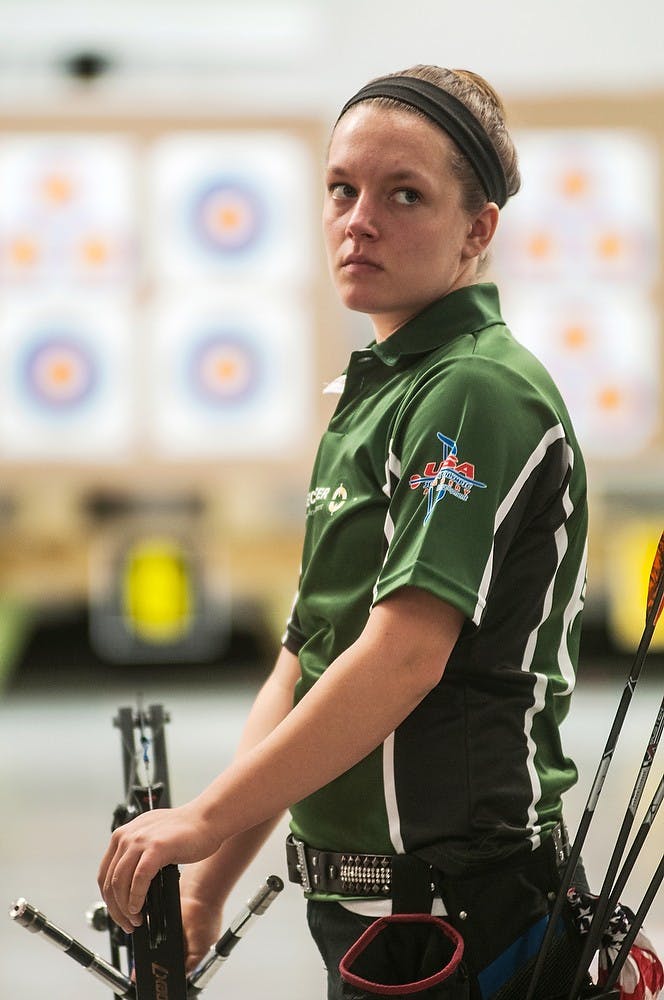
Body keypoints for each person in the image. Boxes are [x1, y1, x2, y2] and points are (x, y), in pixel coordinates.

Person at [98, 65, 589, 999]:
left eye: (405, 194)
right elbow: (307, 661)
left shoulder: (474, 388)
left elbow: (403, 657)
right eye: (342, 189)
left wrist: (200, 817)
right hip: (376, 922)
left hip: (457, 915)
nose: (359, 218)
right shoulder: (377, 393)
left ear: (478, 229)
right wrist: (206, 889)